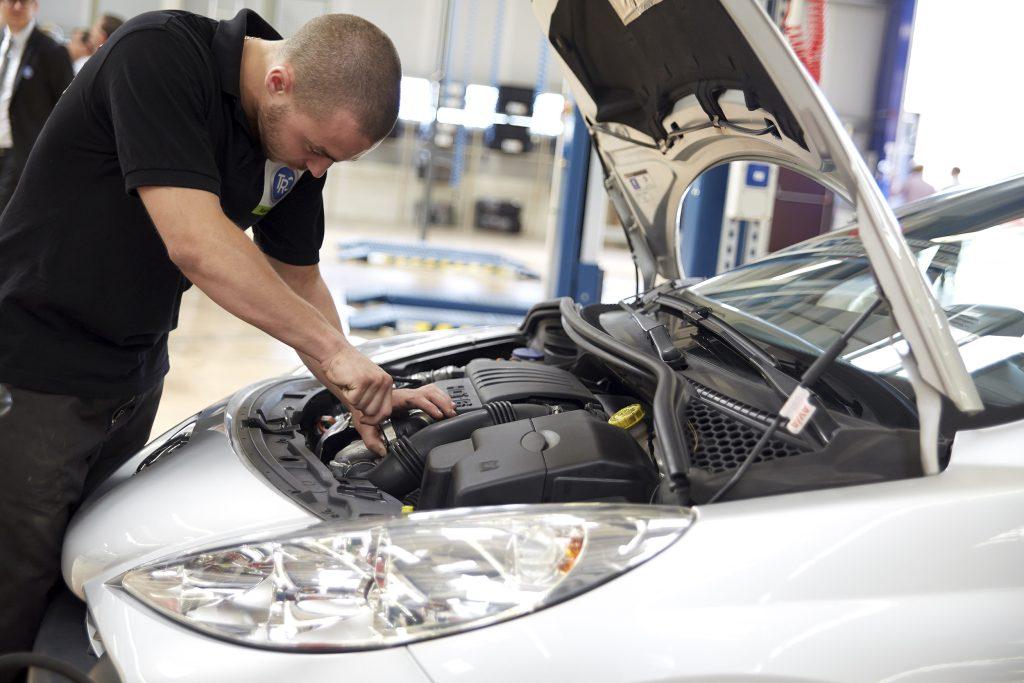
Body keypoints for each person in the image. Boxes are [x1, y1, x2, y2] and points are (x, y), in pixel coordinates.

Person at [0, 8, 455, 663]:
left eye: (335, 160)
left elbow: (299, 278)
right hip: (37, 373)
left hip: (132, 374)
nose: (319, 171)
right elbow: (197, 243)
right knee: (13, 595)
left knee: (82, 582)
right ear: (278, 81)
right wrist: (332, 355)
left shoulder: (292, 136)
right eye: (320, 150)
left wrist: (368, 385)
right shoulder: (158, 58)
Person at [0, 0, 72, 214]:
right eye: (11, 1)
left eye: (24, 1)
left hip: (22, 153)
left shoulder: (52, 51)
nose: (17, 7)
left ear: (35, 6)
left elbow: (66, 109)